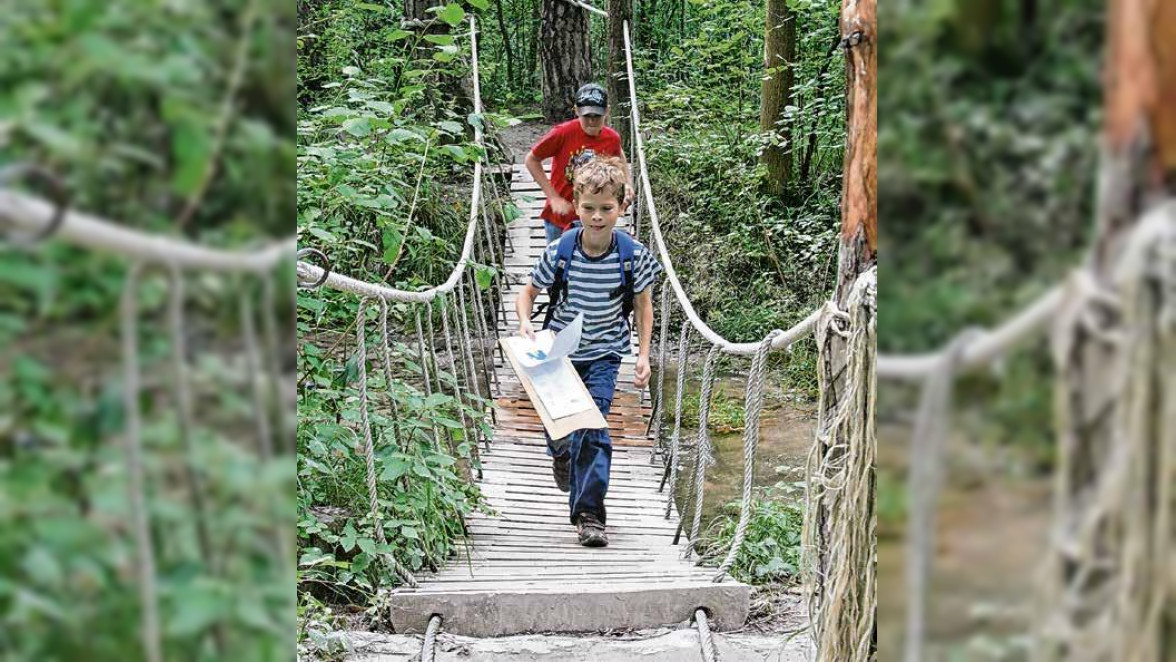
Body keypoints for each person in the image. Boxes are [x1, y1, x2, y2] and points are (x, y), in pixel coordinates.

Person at [514, 155, 661, 547]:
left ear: (622, 208)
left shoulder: (633, 256)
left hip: (604, 354)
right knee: (563, 433)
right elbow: (527, 292)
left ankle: (589, 514)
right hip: (559, 355)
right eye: (590, 208)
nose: (598, 217)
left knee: (593, 428)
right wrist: (526, 322)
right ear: (576, 206)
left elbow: (644, 306)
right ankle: (561, 454)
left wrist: (643, 354)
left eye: (607, 209)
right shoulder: (562, 250)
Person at [524, 83, 637, 247]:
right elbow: (531, 159)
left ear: (607, 111)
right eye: (586, 115)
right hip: (561, 217)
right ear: (576, 111)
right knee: (558, 266)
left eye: (597, 116)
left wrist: (627, 184)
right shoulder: (562, 133)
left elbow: (619, 155)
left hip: (597, 220)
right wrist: (553, 197)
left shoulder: (611, 138)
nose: (591, 121)